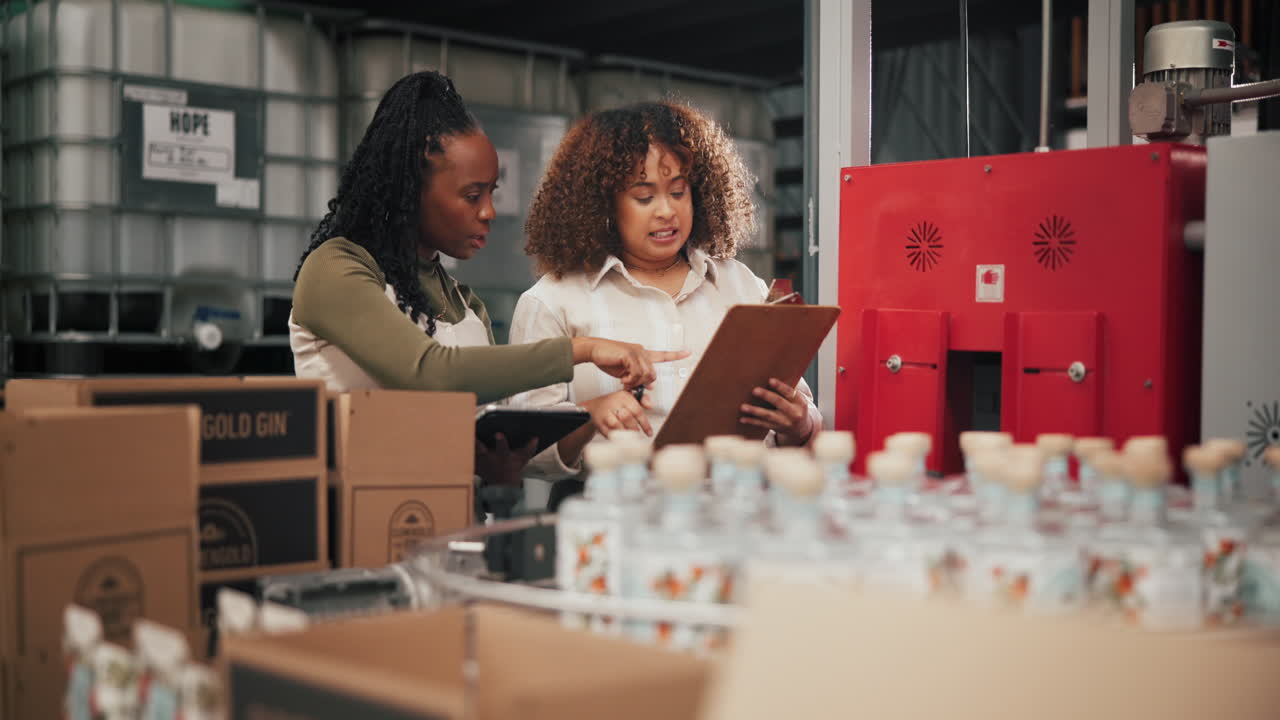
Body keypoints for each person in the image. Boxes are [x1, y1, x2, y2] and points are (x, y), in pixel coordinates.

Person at [288, 72, 684, 502]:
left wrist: (501, 474)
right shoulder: (337, 268)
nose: (489, 211)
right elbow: (430, 372)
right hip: (357, 527)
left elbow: (475, 465)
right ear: (411, 190)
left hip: (450, 532)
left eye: (492, 192)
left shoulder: (463, 302)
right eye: (472, 195)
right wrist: (582, 349)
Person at [510, 101, 823, 487]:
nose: (666, 211)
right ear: (603, 205)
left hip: (740, 516)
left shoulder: (740, 285)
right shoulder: (553, 302)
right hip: (616, 526)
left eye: (678, 192)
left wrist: (799, 424)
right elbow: (524, 454)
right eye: (644, 197)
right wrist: (590, 415)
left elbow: (801, 418)